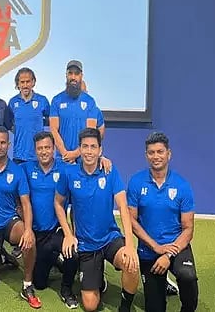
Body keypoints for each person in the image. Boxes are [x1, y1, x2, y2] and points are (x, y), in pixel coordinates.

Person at [54, 128, 139, 312]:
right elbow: (58, 204)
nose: (89, 151)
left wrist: (130, 245)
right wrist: (68, 234)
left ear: (100, 150)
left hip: (109, 238)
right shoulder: (69, 173)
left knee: (131, 265)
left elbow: (123, 207)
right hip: (86, 244)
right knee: (90, 306)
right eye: (85, 146)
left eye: (93, 147)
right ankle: (99, 277)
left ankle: (125, 307)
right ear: (79, 149)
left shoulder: (110, 171)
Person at [127, 132, 198, 312]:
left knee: (187, 276)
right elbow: (131, 221)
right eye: (151, 152)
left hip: (176, 246)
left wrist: (168, 255)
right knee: (155, 308)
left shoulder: (182, 185)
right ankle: (162, 282)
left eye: (160, 151)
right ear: (146, 155)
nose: (156, 156)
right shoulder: (136, 182)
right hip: (148, 250)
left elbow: (188, 229)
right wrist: (156, 247)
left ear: (169, 154)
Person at [0, 126, 41, 309]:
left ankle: (27, 285)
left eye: (3, 142)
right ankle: (4, 257)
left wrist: (28, 230)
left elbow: (26, 203)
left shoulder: (17, 171)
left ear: (8, 145)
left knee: (29, 239)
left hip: (9, 222)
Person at [23, 131, 79, 309]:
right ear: (35, 150)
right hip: (37, 234)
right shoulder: (27, 168)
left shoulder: (66, 168)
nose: (44, 151)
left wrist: (103, 160)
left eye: (47, 147)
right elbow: (5, 165)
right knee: (40, 283)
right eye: (40, 148)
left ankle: (66, 290)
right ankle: (55, 259)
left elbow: (88, 165)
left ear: (54, 148)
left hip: (56, 230)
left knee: (72, 252)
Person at [49, 60, 104, 163]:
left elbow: (90, 133)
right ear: (66, 75)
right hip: (62, 158)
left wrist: (75, 154)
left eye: (76, 74)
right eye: (70, 73)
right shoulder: (56, 100)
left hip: (84, 160)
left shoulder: (90, 101)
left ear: (81, 76)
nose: (73, 77)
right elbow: (53, 129)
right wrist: (65, 154)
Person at [8, 67, 50, 164]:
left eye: (28, 82)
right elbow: (9, 123)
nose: (25, 85)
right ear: (18, 84)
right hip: (19, 155)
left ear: (33, 82)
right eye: (22, 82)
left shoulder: (42, 100)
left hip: (39, 155)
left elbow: (51, 120)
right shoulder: (12, 102)